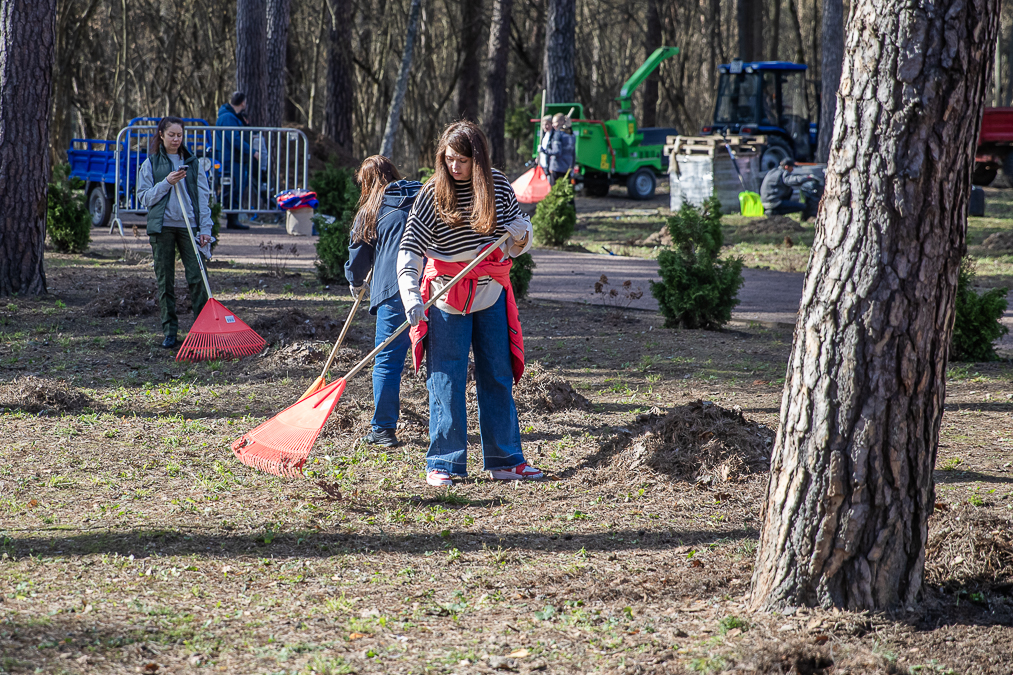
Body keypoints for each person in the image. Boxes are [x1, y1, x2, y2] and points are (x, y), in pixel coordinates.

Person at [397, 121, 542, 487]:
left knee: (497, 373)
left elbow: (516, 239)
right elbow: (410, 248)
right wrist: (411, 295)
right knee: (446, 377)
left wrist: (521, 235)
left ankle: (505, 459)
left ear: (477, 160)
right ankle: (444, 462)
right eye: (448, 160)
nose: (455, 168)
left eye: (462, 160)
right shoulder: (431, 194)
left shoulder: (497, 186)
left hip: (490, 289)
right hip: (446, 295)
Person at [344, 156, 422, 448]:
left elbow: (356, 255)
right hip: (434, 286)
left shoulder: (371, 210)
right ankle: (445, 431)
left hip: (394, 291)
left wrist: (355, 280)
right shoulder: (424, 196)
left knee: (387, 362)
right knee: (441, 360)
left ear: (366, 183)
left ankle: (383, 429)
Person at [136, 117, 213, 349]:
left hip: (189, 226)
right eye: (171, 135)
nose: (176, 139)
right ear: (161, 135)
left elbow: (203, 197)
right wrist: (167, 182)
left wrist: (205, 228)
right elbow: (144, 197)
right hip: (163, 227)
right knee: (165, 280)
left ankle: (203, 331)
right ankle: (170, 331)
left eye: (179, 135)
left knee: (198, 277)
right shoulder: (150, 163)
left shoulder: (193, 163)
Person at [215, 92, 259, 230]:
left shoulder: (231, 117)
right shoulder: (229, 117)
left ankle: (231, 217)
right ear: (243, 103)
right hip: (231, 159)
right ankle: (231, 218)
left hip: (233, 158)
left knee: (233, 187)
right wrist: (252, 152)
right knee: (233, 187)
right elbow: (235, 139)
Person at [546, 113, 575, 186]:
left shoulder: (558, 134)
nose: (553, 125)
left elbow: (557, 152)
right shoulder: (571, 134)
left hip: (557, 168)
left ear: (561, 122)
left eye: (555, 122)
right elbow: (573, 153)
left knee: (555, 192)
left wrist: (545, 150)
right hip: (567, 168)